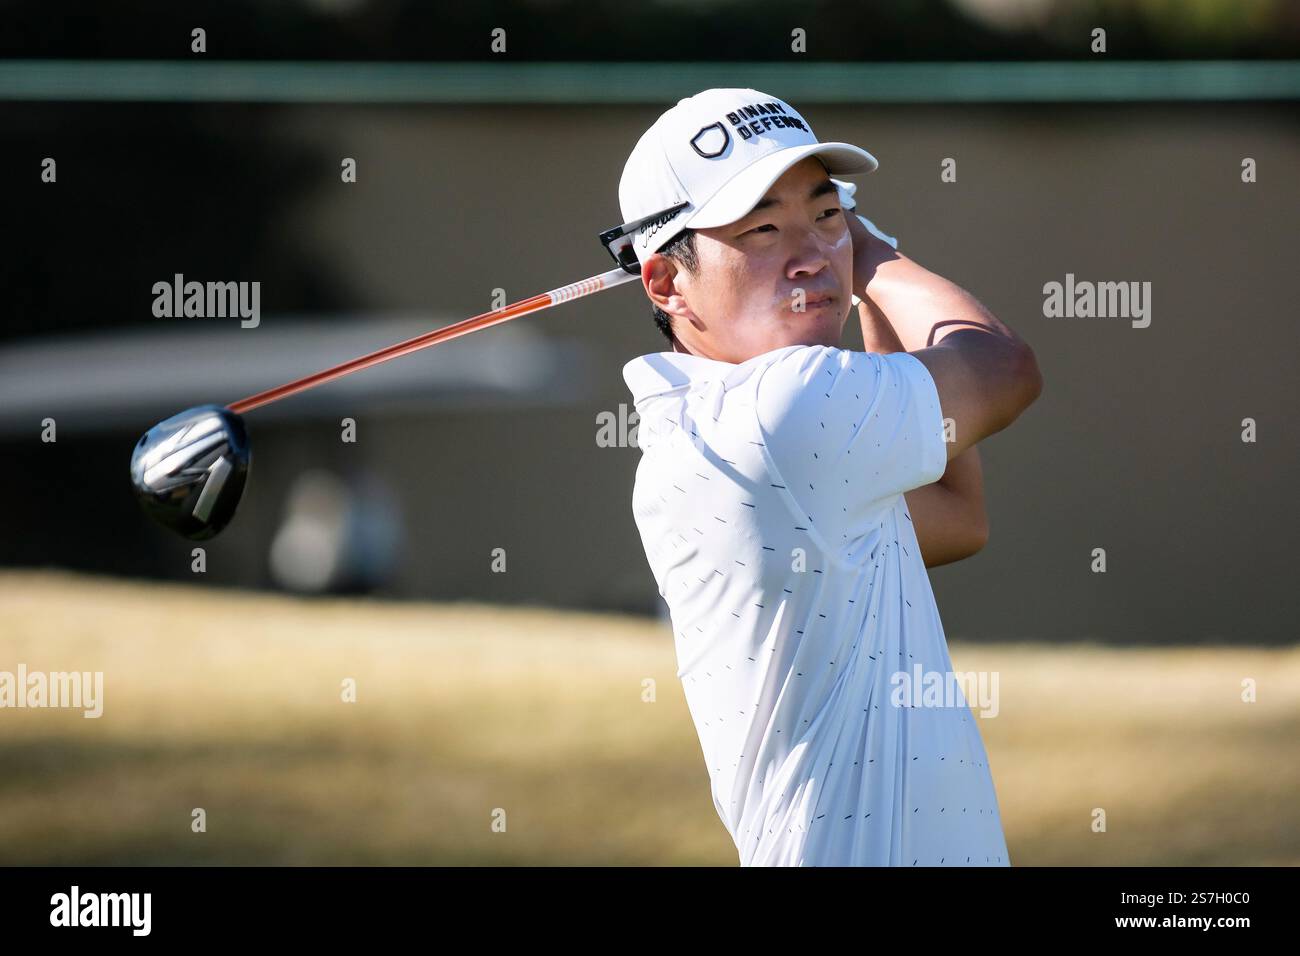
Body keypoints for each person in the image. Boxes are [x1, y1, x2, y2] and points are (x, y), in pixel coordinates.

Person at [618, 88, 1042, 865]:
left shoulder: (711, 427)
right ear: (665, 282)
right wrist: (877, 256)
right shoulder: (781, 410)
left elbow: (955, 512)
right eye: (763, 228)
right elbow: (1004, 369)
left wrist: (859, 267)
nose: (811, 253)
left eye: (824, 215)